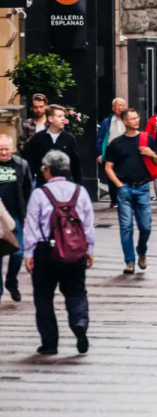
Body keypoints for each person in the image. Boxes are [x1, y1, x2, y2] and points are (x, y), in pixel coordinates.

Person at [23, 150, 95, 355]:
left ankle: (50, 342)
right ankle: (79, 322)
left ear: (47, 171)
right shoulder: (80, 192)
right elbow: (88, 224)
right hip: (75, 250)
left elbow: (31, 226)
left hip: (45, 251)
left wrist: (29, 253)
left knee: (43, 296)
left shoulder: (39, 194)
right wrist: (89, 249)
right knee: (76, 291)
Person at [104, 108, 157, 274]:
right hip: (125, 189)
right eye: (133, 119)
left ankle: (141, 250)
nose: (137, 121)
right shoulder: (117, 143)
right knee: (126, 227)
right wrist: (118, 184)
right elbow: (108, 167)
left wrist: (151, 154)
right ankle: (129, 261)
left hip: (143, 188)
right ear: (125, 121)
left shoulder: (146, 138)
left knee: (146, 226)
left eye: (137, 117)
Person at [0, 134, 32, 304]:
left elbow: (27, 190)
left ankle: (11, 281)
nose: (4, 153)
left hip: (15, 215)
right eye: (0, 150)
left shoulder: (21, 165)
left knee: (18, 253)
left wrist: (27, 214)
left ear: (12, 149)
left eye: (6, 149)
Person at [23, 105, 83, 189]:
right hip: (43, 184)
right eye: (59, 116)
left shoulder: (69, 138)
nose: (63, 119)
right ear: (50, 119)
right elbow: (31, 163)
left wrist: (79, 185)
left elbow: (75, 164)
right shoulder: (38, 138)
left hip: (65, 183)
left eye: (64, 116)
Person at [96, 98, 127, 207]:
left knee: (124, 176)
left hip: (125, 152)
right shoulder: (106, 121)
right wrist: (100, 153)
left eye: (122, 105)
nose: (120, 108)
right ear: (113, 108)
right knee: (111, 177)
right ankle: (114, 200)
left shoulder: (128, 120)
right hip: (110, 152)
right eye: (118, 105)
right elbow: (100, 138)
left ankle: (123, 199)